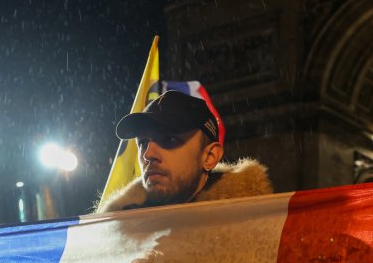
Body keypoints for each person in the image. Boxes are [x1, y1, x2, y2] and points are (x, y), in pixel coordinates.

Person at [94, 90, 273, 213]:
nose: (148, 154)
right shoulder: (118, 227)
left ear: (210, 157)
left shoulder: (256, 229)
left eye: (169, 139)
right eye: (142, 143)